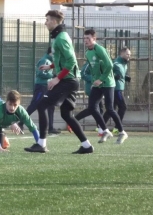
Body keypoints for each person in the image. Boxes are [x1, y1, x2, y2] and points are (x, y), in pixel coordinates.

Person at [24, 10, 94, 154]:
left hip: (68, 81)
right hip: (69, 80)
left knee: (42, 105)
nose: (45, 22)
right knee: (66, 115)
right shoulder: (58, 36)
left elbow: (71, 61)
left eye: (48, 20)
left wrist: (56, 78)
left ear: (55, 21)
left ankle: (41, 144)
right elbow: (62, 60)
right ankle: (87, 146)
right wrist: (50, 66)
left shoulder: (61, 38)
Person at [75, 29, 128, 144]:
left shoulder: (100, 49)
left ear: (94, 39)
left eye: (88, 38)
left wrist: (101, 79)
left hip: (108, 83)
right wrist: (94, 80)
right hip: (97, 84)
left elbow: (109, 65)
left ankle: (122, 132)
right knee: (92, 107)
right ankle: (105, 130)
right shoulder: (87, 53)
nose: (86, 40)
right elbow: (93, 69)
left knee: (110, 109)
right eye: (84, 38)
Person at [18, 47, 61, 134]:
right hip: (41, 86)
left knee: (51, 105)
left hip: (47, 86)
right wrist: (52, 75)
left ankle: (51, 127)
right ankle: (20, 123)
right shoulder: (45, 60)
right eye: (55, 54)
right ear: (50, 53)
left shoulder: (49, 61)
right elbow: (40, 73)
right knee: (34, 104)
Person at [103, 47, 131, 133]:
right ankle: (117, 127)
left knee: (111, 108)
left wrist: (125, 77)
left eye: (130, 54)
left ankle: (100, 125)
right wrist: (114, 76)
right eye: (127, 54)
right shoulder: (115, 63)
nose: (129, 56)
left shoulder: (124, 64)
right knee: (123, 106)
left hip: (120, 88)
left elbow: (120, 74)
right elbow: (107, 72)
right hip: (116, 89)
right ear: (121, 54)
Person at [80, 61, 104, 136]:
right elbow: (83, 74)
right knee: (94, 109)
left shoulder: (100, 63)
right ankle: (101, 130)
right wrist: (94, 79)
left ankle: (100, 129)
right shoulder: (88, 63)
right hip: (91, 89)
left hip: (98, 88)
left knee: (98, 108)